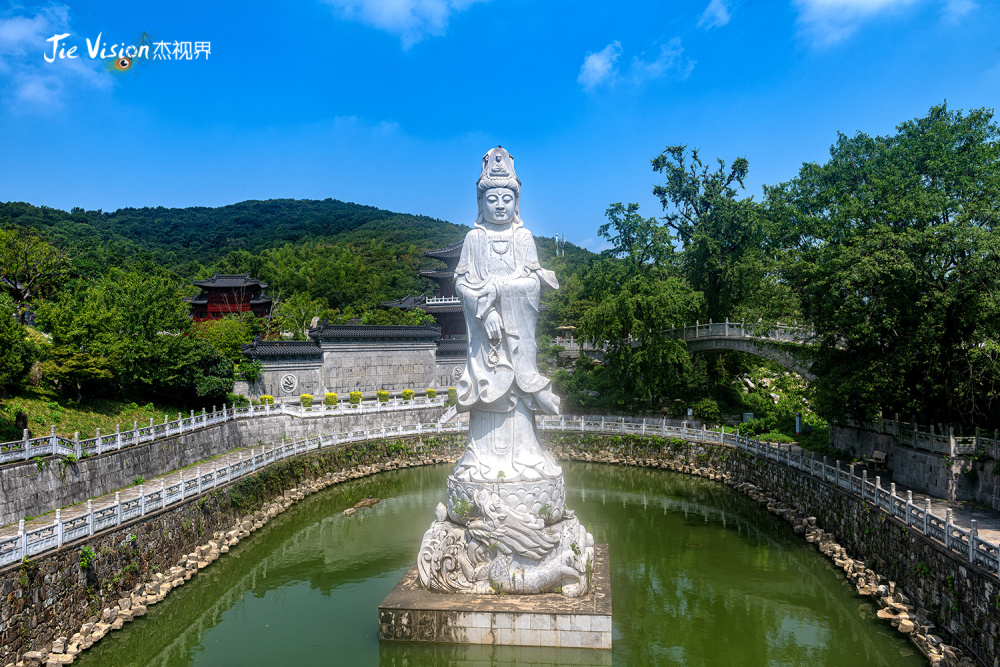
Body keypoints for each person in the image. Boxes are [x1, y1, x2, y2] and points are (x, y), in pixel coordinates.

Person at [452, 147, 561, 483]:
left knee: (518, 395)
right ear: (480, 203)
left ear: (517, 203)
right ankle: (480, 458)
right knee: (489, 395)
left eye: (507, 199)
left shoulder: (523, 237)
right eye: (492, 199)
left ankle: (528, 454)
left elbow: (533, 282)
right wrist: (485, 312)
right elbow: (461, 282)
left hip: (518, 334)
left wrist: (498, 289)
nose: (500, 205)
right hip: (487, 341)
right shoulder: (474, 238)